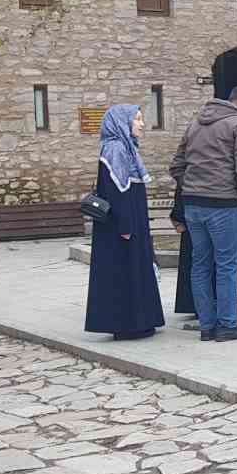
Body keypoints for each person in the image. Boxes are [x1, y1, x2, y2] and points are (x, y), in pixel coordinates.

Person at [171, 86, 237, 343]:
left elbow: (176, 165)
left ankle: (207, 326)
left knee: (200, 265)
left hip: (193, 205)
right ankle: (227, 325)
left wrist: (193, 185)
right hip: (226, 204)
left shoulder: (196, 124)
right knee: (227, 266)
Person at [85, 105, 166, 340]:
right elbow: (117, 191)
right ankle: (127, 324)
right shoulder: (116, 149)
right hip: (122, 227)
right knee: (124, 272)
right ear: (122, 122)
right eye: (137, 119)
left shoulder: (126, 147)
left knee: (135, 270)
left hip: (132, 222)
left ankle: (140, 321)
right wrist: (126, 226)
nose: (141, 124)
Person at [169, 190, 237, 320]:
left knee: (201, 265)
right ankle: (226, 322)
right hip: (225, 201)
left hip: (195, 201)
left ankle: (207, 323)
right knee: (225, 266)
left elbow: (179, 172)